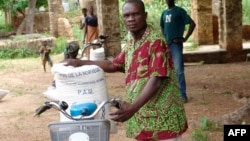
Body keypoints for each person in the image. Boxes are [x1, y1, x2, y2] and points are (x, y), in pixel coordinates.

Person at [64, 0, 188, 140]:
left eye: (135, 14)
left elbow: (156, 80)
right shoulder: (131, 43)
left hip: (163, 118)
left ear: (145, 15)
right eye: (127, 15)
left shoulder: (156, 42)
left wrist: (133, 108)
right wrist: (78, 62)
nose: (131, 19)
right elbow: (113, 65)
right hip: (144, 117)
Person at [160, 0, 196, 103]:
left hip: (176, 44)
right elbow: (162, 26)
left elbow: (192, 24)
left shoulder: (179, 11)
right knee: (166, 71)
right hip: (167, 45)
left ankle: (182, 95)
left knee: (179, 70)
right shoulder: (164, 13)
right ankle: (170, 95)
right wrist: (164, 38)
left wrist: (185, 38)